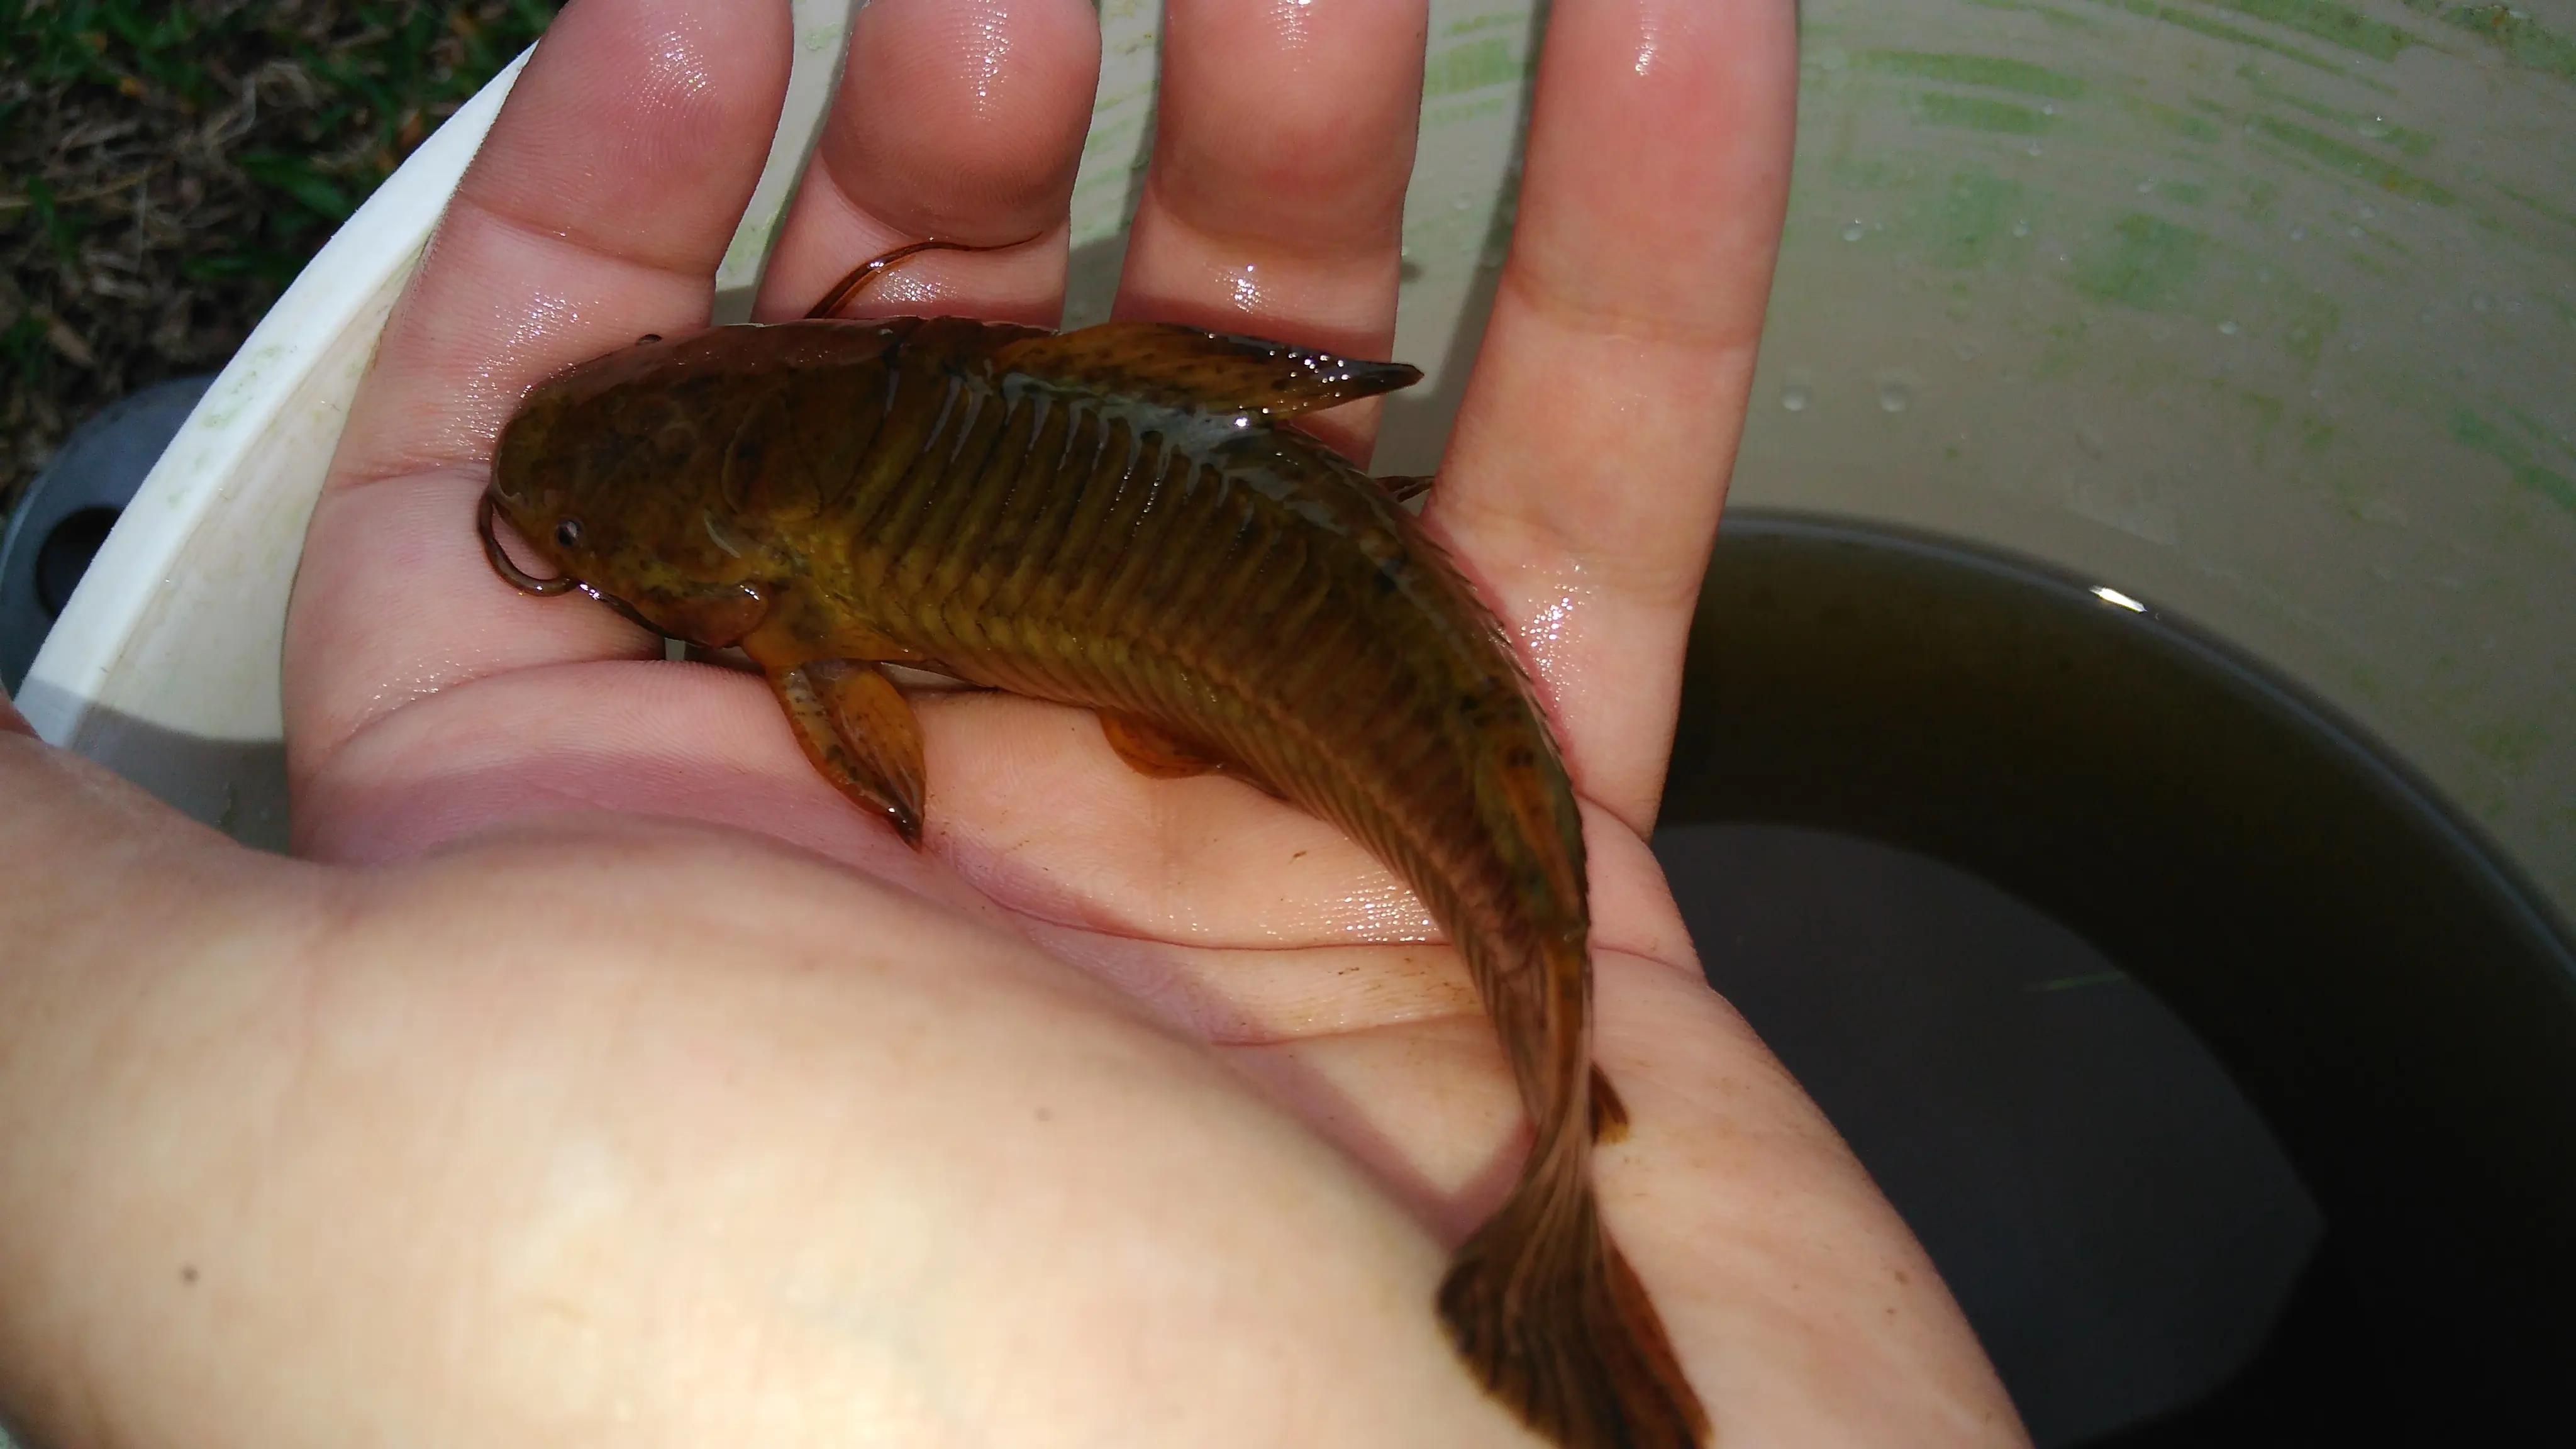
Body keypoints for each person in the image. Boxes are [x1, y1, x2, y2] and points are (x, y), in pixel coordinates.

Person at [0, 0, 2024, 1442]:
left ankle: (1559, 1210)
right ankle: (1556, 1166)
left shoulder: (815, 635)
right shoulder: (931, 384)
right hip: (1332, 622)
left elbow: (875, 744)